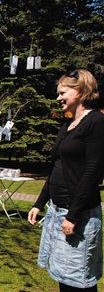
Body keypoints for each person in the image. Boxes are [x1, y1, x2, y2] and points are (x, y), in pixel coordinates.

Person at [28, 69, 104, 292]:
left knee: (78, 280)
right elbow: (57, 167)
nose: (58, 98)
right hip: (56, 211)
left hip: (77, 215)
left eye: (63, 93)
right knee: (64, 276)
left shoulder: (96, 121)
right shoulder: (68, 125)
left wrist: (73, 215)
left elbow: (93, 170)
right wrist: (39, 203)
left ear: (80, 92)